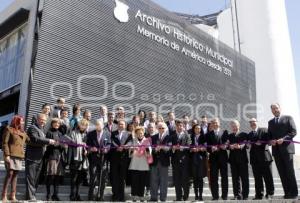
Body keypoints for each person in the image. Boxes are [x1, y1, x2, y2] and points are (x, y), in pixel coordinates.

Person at [268, 103, 298, 199]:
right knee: (281, 172)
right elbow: (269, 136)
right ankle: (287, 193)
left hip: (287, 149)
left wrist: (284, 139)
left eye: (276, 108)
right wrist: (270, 141)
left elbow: (293, 131)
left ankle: (294, 193)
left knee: (289, 171)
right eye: (273, 109)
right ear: (271, 111)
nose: (275, 110)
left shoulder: (288, 118)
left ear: (280, 108)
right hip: (276, 151)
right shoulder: (270, 122)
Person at [25, 113, 56, 201]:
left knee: (36, 179)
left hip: (40, 157)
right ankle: (30, 197)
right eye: (42, 120)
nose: (43, 122)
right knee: (30, 178)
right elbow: (35, 139)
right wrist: (49, 141)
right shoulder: (32, 128)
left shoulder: (42, 129)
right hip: (32, 157)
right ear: (37, 119)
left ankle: (32, 195)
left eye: (45, 120)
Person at [1, 116, 29, 201]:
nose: (22, 123)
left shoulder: (23, 132)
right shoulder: (9, 129)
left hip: (19, 155)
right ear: (16, 121)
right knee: (10, 174)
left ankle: (12, 195)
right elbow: (5, 143)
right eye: (21, 121)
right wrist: (7, 155)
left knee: (15, 175)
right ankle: (4, 195)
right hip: (11, 154)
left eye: (23, 121)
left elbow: (29, 140)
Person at [248, 118, 274, 200]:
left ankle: (270, 193)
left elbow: (269, 141)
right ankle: (259, 195)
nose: (252, 123)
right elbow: (248, 145)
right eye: (251, 122)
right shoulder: (249, 134)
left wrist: (262, 142)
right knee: (257, 178)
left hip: (265, 157)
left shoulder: (264, 130)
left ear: (257, 122)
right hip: (255, 159)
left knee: (268, 177)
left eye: (254, 122)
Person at [86, 120, 111, 201]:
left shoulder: (107, 133)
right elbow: (87, 145)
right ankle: (91, 196)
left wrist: (106, 149)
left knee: (102, 179)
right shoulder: (91, 133)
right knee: (93, 177)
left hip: (103, 159)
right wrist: (91, 148)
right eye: (96, 124)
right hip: (93, 159)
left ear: (103, 125)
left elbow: (109, 144)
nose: (98, 126)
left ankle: (100, 196)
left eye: (99, 125)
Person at [206, 118, 229, 200]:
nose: (215, 124)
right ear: (212, 124)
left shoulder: (225, 132)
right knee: (213, 178)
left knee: (224, 177)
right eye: (213, 123)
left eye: (216, 123)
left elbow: (227, 142)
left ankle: (224, 196)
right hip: (213, 159)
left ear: (219, 123)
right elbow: (207, 147)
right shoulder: (208, 134)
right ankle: (215, 196)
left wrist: (224, 146)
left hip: (223, 158)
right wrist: (211, 149)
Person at [67, 119, 89, 201]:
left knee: (80, 179)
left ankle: (78, 195)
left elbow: (89, 145)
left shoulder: (87, 134)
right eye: (82, 124)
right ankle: (72, 195)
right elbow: (70, 143)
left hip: (83, 159)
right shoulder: (73, 132)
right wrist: (80, 144)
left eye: (86, 125)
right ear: (79, 125)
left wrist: (87, 150)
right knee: (73, 178)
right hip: (74, 158)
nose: (84, 126)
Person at [44, 118, 66, 201]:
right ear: (52, 123)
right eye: (55, 123)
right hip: (51, 156)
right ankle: (48, 194)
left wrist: (63, 146)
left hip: (59, 157)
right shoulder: (49, 132)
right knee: (51, 176)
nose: (57, 125)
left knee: (57, 177)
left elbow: (62, 146)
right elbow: (46, 145)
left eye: (58, 123)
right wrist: (53, 144)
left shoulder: (60, 133)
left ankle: (55, 194)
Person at [110, 120, 132, 201]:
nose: (120, 125)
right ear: (117, 125)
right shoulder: (113, 133)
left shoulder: (128, 134)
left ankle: (122, 196)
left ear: (125, 125)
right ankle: (115, 195)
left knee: (122, 178)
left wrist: (124, 146)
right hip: (114, 158)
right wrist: (117, 147)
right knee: (115, 177)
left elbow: (130, 142)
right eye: (119, 124)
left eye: (122, 124)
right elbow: (111, 142)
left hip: (124, 159)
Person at [150, 122, 172, 202]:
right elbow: (150, 148)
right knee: (153, 180)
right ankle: (153, 197)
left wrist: (162, 147)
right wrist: (154, 150)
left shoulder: (169, 137)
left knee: (164, 181)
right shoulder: (153, 137)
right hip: (155, 161)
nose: (161, 129)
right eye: (159, 128)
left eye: (163, 128)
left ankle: (163, 198)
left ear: (165, 129)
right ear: (157, 129)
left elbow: (169, 148)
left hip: (164, 161)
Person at [128, 126, 151, 201]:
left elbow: (149, 154)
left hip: (143, 165)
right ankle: (134, 196)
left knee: (142, 182)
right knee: (134, 182)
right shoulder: (133, 141)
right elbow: (130, 155)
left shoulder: (147, 141)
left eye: (141, 133)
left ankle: (141, 196)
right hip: (134, 164)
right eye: (138, 133)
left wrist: (145, 150)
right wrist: (133, 149)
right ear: (136, 134)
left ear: (143, 133)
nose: (140, 134)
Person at [228, 120, 249, 200]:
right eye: (232, 126)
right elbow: (226, 145)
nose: (234, 127)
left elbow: (247, 145)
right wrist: (230, 146)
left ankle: (245, 195)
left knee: (244, 178)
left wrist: (240, 146)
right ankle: (237, 195)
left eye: (235, 126)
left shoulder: (244, 134)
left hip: (243, 160)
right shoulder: (229, 136)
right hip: (233, 160)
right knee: (235, 179)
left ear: (238, 126)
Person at [171, 120, 191, 201]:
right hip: (175, 161)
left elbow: (189, 146)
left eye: (181, 126)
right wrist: (173, 148)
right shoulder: (172, 136)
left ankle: (185, 196)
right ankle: (178, 197)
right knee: (176, 180)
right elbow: (169, 146)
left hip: (185, 161)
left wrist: (183, 147)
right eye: (178, 126)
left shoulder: (187, 136)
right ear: (176, 126)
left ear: (183, 126)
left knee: (185, 180)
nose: (179, 127)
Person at [190, 124, 207, 201]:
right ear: (194, 129)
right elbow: (188, 147)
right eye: (196, 128)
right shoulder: (191, 137)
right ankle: (196, 195)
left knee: (200, 178)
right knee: (195, 178)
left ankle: (200, 195)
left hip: (201, 159)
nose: (198, 129)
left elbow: (206, 147)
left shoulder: (204, 137)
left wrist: (200, 149)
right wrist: (192, 149)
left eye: (199, 128)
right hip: (193, 159)